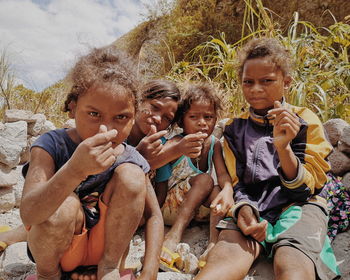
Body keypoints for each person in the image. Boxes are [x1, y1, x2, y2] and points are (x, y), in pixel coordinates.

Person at [195, 37, 341, 280]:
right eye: (248, 82)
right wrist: (242, 210)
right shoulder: (234, 128)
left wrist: (284, 149)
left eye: (267, 81)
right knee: (220, 266)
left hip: (299, 206)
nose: (255, 89)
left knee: (292, 266)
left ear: (286, 82)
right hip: (253, 205)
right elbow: (236, 183)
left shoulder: (305, 120)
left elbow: (307, 189)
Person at [19, 45, 163, 280]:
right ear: (73, 107)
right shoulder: (51, 145)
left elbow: (154, 215)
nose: (106, 129)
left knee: (132, 175)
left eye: (121, 117)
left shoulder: (130, 157)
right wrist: (74, 171)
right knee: (64, 202)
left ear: (134, 115)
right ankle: (49, 276)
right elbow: (29, 215)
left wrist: (149, 272)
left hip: (104, 255)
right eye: (94, 114)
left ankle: (109, 270)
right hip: (58, 253)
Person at [154, 83, 234, 272]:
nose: (202, 123)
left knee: (217, 189)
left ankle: (213, 243)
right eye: (194, 117)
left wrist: (228, 190)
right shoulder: (176, 143)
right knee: (206, 180)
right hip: (170, 207)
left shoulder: (214, 144)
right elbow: (159, 175)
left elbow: (223, 175)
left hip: (196, 210)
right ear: (181, 121)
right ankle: (174, 235)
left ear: (216, 120)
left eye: (208, 117)